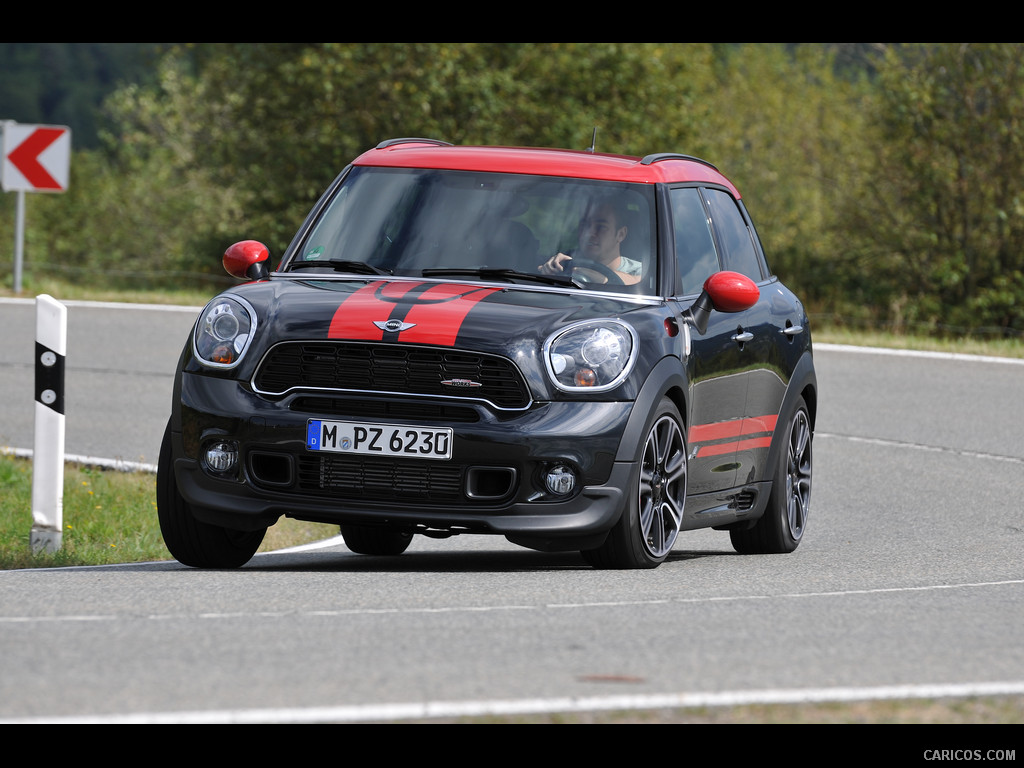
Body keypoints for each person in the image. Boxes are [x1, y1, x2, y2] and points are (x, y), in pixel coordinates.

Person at [538, 195, 641, 285]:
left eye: (601, 227)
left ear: (621, 234)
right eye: (584, 225)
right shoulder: (563, 263)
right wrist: (550, 270)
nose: (589, 233)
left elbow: (640, 282)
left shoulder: (639, 272)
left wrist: (602, 276)